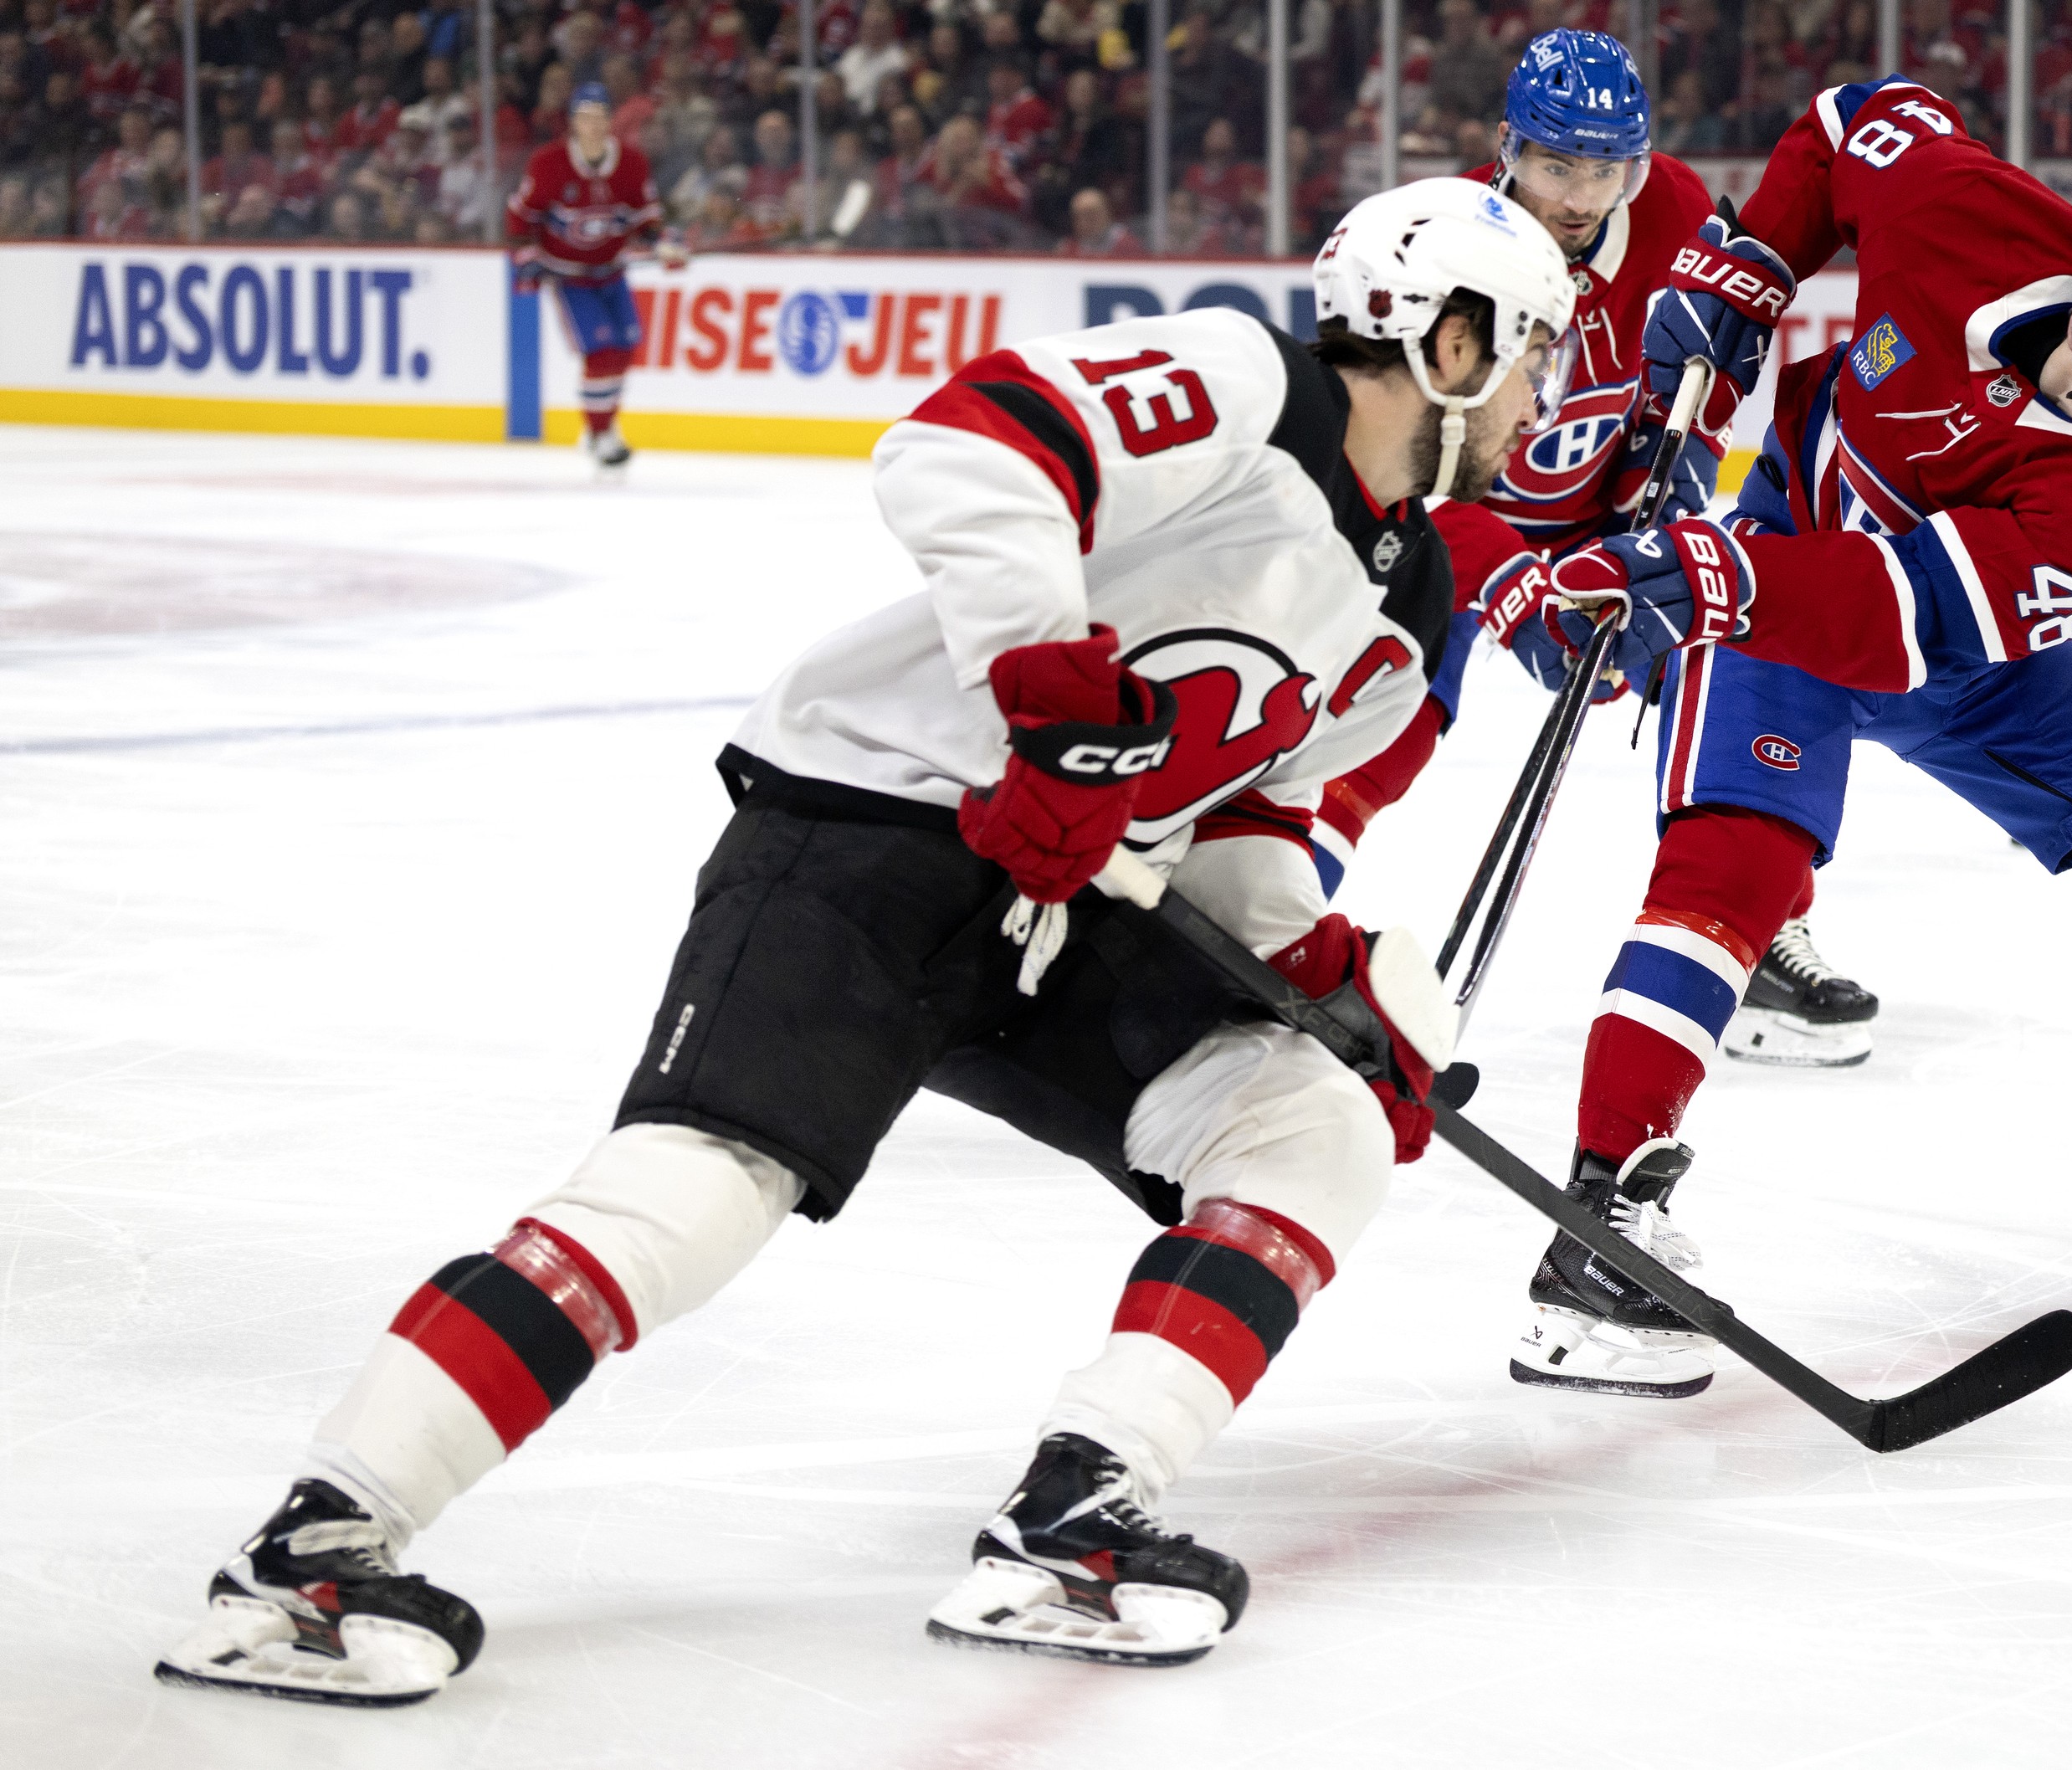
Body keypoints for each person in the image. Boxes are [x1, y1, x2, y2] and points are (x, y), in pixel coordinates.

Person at [151, 177, 1577, 1702]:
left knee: (1313, 1125)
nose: (1547, 396)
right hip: (878, 825)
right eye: (1539, 351)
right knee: (702, 1189)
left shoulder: (1411, 597)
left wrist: (1322, 983)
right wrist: (1048, 688)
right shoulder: (1250, 386)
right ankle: (310, 1556)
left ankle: (1076, 1524)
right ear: (1453, 338)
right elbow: (968, 443)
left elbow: (1245, 821)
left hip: (1068, 903)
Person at [1534, 79, 2072, 1357]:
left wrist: (1720, 579)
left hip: (1942, 637)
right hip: (1793, 550)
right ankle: (1599, 1222)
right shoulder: (1970, 216)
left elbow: (1901, 615)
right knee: (1738, 863)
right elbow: (1851, 120)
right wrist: (1753, 270)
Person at [1306, 33, 1885, 1407]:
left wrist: (1656, 535)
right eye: (1559, 163)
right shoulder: (1453, 238)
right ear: (1507, 147)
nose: (1582, 192)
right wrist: (1512, 592)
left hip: (1624, 517)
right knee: (1391, 691)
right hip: (1464, 520)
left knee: (1729, 663)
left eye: (1606, 166)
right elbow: (1420, 464)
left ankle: (1763, 927)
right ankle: (1284, 903)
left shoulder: (1680, 214)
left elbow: (1708, 393)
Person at [506, 83, 679, 470]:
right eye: (586, 117)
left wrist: (661, 243)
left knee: (624, 348)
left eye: (601, 117)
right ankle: (599, 435)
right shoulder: (548, 164)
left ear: (610, 121)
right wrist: (528, 256)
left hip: (612, 272)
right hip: (570, 278)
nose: (594, 125)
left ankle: (603, 428)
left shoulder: (632, 164)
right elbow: (521, 218)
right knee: (600, 352)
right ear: (573, 122)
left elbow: (646, 218)